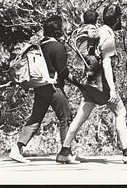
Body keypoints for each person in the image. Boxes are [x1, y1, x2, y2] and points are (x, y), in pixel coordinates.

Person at [56, 4, 127, 164]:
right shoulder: (108, 36)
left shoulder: (97, 31)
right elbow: (106, 63)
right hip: (101, 81)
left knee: (81, 116)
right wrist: (112, 89)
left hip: (89, 79)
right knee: (121, 112)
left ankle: (64, 151)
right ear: (117, 19)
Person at [9, 15, 81, 163]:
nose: (64, 29)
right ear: (57, 30)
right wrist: (80, 85)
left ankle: (17, 149)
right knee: (65, 118)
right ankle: (65, 153)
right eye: (62, 27)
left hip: (40, 87)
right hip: (54, 88)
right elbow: (63, 72)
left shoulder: (41, 45)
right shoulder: (58, 47)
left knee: (35, 118)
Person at [75, 10, 100, 85]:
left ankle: (88, 74)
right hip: (84, 51)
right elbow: (92, 35)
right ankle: (90, 78)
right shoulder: (91, 27)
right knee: (94, 61)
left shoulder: (82, 27)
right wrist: (99, 34)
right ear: (95, 20)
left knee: (89, 62)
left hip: (80, 50)